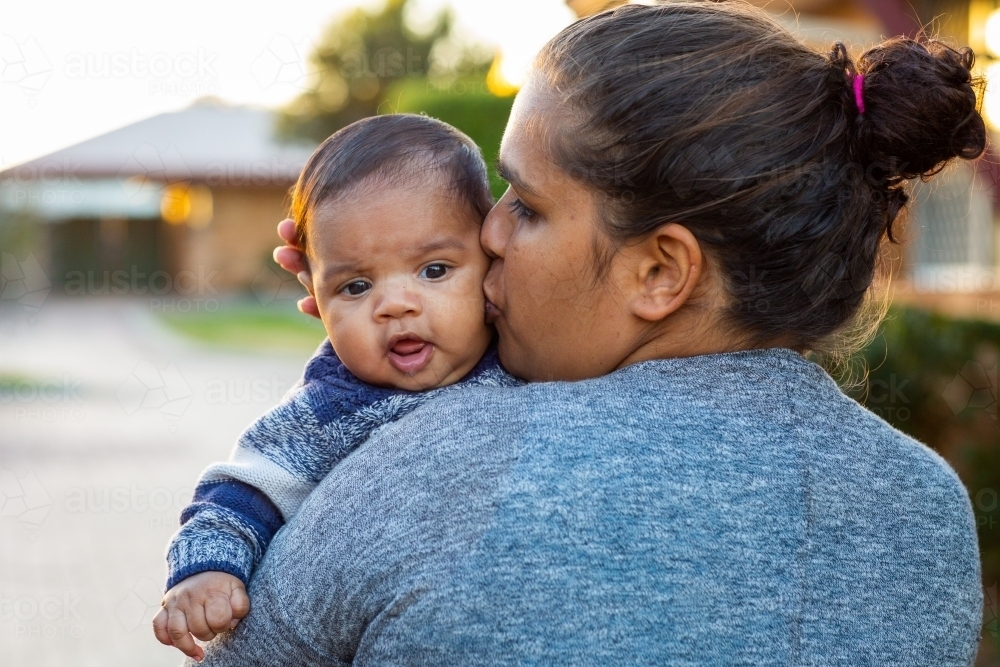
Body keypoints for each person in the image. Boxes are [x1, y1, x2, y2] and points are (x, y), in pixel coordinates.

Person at [178, 2, 987, 664]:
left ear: (661, 272)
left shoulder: (435, 466)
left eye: (525, 205)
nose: (487, 234)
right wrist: (391, 301)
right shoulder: (926, 508)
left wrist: (355, 374)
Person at [152, 114, 518, 662]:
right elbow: (245, 490)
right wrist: (207, 568)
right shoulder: (334, 404)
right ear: (315, 298)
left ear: (493, 262)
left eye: (435, 270)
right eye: (356, 285)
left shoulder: (527, 350)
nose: (394, 304)